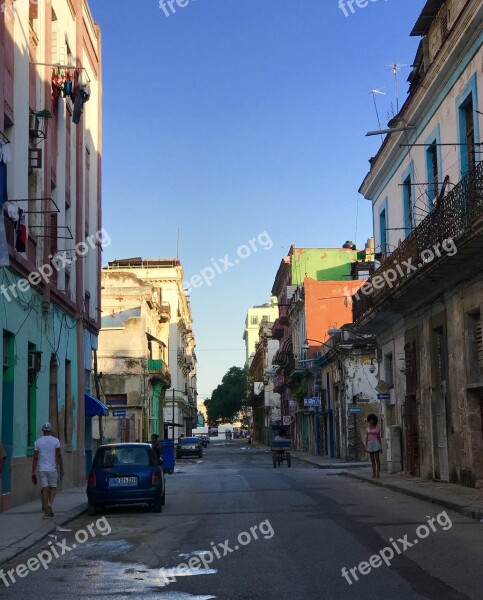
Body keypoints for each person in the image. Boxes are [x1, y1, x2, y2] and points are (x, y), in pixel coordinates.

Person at [32, 422, 63, 518]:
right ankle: (49, 504)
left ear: (43, 430)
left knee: (45, 489)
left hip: (42, 469)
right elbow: (58, 455)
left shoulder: (37, 442)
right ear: (50, 430)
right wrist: (61, 468)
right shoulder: (56, 441)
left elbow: (35, 458)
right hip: (52, 468)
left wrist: (33, 471)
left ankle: (46, 512)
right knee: (53, 488)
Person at [365, 414, 382, 478]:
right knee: (372, 460)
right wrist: (366, 446)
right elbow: (367, 437)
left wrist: (381, 447)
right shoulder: (367, 429)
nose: (371, 421)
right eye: (370, 420)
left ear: (375, 420)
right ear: (369, 420)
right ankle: (374, 474)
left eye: (372, 420)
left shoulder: (377, 429)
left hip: (376, 444)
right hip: (370, 444)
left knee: (377, 459)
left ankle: (378, 474)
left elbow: (379, 438)